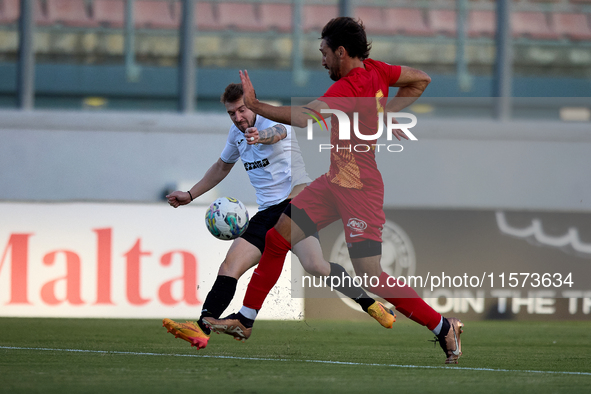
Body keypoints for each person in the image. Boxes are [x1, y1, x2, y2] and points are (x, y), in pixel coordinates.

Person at [204, 18, 464, 364]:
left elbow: (303, 117)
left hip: (360, 187)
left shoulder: (349, 88)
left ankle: (443, 326)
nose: (322, 60)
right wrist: (385, 112)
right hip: (334, 180)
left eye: (324, 53)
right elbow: (420, 80)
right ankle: (245, 320)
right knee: (279, 236)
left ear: (341, 52)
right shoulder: (378, 69)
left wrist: (255, 104)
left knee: (371, 275)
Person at [162, 83, 395, 350]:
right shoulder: (235, 135)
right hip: (267, 212)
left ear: (252, 104)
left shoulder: (271, 119)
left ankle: (369, 305)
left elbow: (278, 132)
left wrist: (259, 137)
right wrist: (190, 195)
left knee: (313, 265)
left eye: (241, 110)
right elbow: (220, 167)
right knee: (237, 267)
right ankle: (202, 328)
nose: (238, 117)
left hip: (297, 203)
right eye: (231, 113)